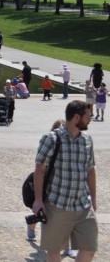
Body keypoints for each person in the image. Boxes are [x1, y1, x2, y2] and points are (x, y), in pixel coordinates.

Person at [32, 100, 97, 261]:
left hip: (83, 205)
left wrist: (94, 198)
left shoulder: (87, 140)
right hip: (57, 206)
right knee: (54, 251)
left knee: (89, 249)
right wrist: (38, 200)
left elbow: (90, 170)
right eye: (88, 115)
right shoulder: (51, 139)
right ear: (76, 117)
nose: (90, 119)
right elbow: (39, 170)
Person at [26, 119, 78, 259]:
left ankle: (67, 247)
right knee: (42, 215)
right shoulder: (50, 144)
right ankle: (32, 225)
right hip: (48, 187)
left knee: (65, 219)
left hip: (62, 191)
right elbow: (40, 169)